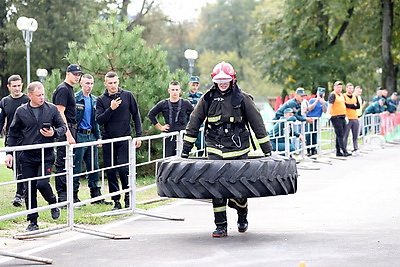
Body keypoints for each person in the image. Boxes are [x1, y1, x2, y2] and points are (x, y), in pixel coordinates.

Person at [181, 62, 273, 238]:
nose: (222, 83)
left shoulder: (243, 99)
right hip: (215, 147)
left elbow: (258, 125)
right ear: (214, 80)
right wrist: (185, 151)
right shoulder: (207, 99)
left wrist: (268, 152)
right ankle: (221, 225)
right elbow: (194, 123)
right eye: (219, 80)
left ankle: (242, 214)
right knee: (216, 186)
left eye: (225, 80)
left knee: (239, 188)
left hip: (239, 149)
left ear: (232, 79)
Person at [5, 82, 66, 231]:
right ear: (30, 95)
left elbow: (63, 127)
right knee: (30, 188)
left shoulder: (51, 109)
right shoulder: (21, 111)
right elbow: (13, 133)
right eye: (38, 95)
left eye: (43, 94)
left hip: (46, 154)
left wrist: (54, 133)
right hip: (27, 156)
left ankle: (53, 202)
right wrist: (9, 152)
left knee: (42, 184)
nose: (41, 97)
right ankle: (33, 221)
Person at [96, 71, 142, 210]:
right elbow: (99, 120)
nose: (113, 85)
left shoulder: (127, 95)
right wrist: (111, 108)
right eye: (110, 83)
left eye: (115, 82)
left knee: (123, 169)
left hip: (124, 138)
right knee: (110, 171)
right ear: (105, 84)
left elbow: (136, 114)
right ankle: (116, 200)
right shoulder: (101, 100)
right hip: (108, 139)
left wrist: (138, 135)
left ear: (118, 82)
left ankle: (128, 197)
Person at [74, 74, 111, 205]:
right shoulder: (75, 99)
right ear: (81, 84)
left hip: (91, 136)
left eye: (91, 83)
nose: (89, 86)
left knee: (94, 167)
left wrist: (99, 137)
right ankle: (74, 196)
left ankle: (96, 196)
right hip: (79, 136)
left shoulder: (94, 100)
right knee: (76, 167)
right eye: (87, 83)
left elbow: (96, 121)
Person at [52, 64, 82, 203]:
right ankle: (62, 196)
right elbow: (60, 113)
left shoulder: (69, 89)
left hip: (71, 128)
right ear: (67, 73)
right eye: (75, 74)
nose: (77, 77)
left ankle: (69, 195)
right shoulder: (63, 89)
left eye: (78, 74)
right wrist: (68, 134)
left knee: (69, 163)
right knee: (63, 163)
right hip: (65, 129)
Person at [0, 75, 30, 206]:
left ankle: (20, 194)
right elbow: (1, 121)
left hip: (27, 138)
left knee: (23, 166)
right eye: (14, 86)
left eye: (19, 85)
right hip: (12, 138)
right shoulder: (4, 101)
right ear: (9, 87)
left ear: (22, 85)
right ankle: (23, 191)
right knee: (15, 167)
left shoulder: (28, 99)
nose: (17, 88)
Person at [148, 81, 193, 157]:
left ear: (180, 91)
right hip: (169, 136)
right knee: (169, 159)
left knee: (183, 158)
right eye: (172, 90)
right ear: (169, 90)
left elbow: (195, 114)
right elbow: (151, 114)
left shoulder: (185, 103)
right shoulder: (163, 103)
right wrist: (160, 127)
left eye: (176, 90)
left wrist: (191, 127)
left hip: (182, 135)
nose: (174, 92)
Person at [327, 81, 351, 157]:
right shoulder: (332, 95)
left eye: (340, 87)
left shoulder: (341, 95)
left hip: (342, 116)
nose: (339, 89)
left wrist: (346, 115)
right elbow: (330, 105)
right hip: (335, 116)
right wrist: (329, 114)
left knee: (340, 134)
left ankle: (338, 151)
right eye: (338, 87)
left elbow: (343, 105)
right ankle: (344, 151)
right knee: (340, 134)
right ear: (334, 87)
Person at [305, 87, 327, 156]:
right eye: (319, 94)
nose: (320, 95)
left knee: (315, 135)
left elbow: (324, 111)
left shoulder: (324, 102)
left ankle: (313, 149)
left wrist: (323, 103)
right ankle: (308, 149)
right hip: (310, 118)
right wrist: (317, 101)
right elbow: (309, 109)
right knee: (308, 135)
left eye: (321, 94)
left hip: (317, 120)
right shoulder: (312, 100)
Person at [187, 76, 205, 155]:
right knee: (186, 146)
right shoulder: (185, 96)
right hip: (188, 123)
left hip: (199, 125)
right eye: (193, 85)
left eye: (196, 85)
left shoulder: (201, 96)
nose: (194, 87)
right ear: (189, 84)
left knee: (201, 146)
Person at [343, 83, 360, 152]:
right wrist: (353, 105)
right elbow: (345, 105)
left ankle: (355, 147)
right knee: (345, 134)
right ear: (346, 88)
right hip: (348, 117)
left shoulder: (355, 96)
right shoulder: (344, 96)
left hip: (355, 117)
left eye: (352, 88)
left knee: (355, 134)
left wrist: (351, 105)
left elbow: (358, 106)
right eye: (349, 88)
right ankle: (344, 148)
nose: (351, 90)